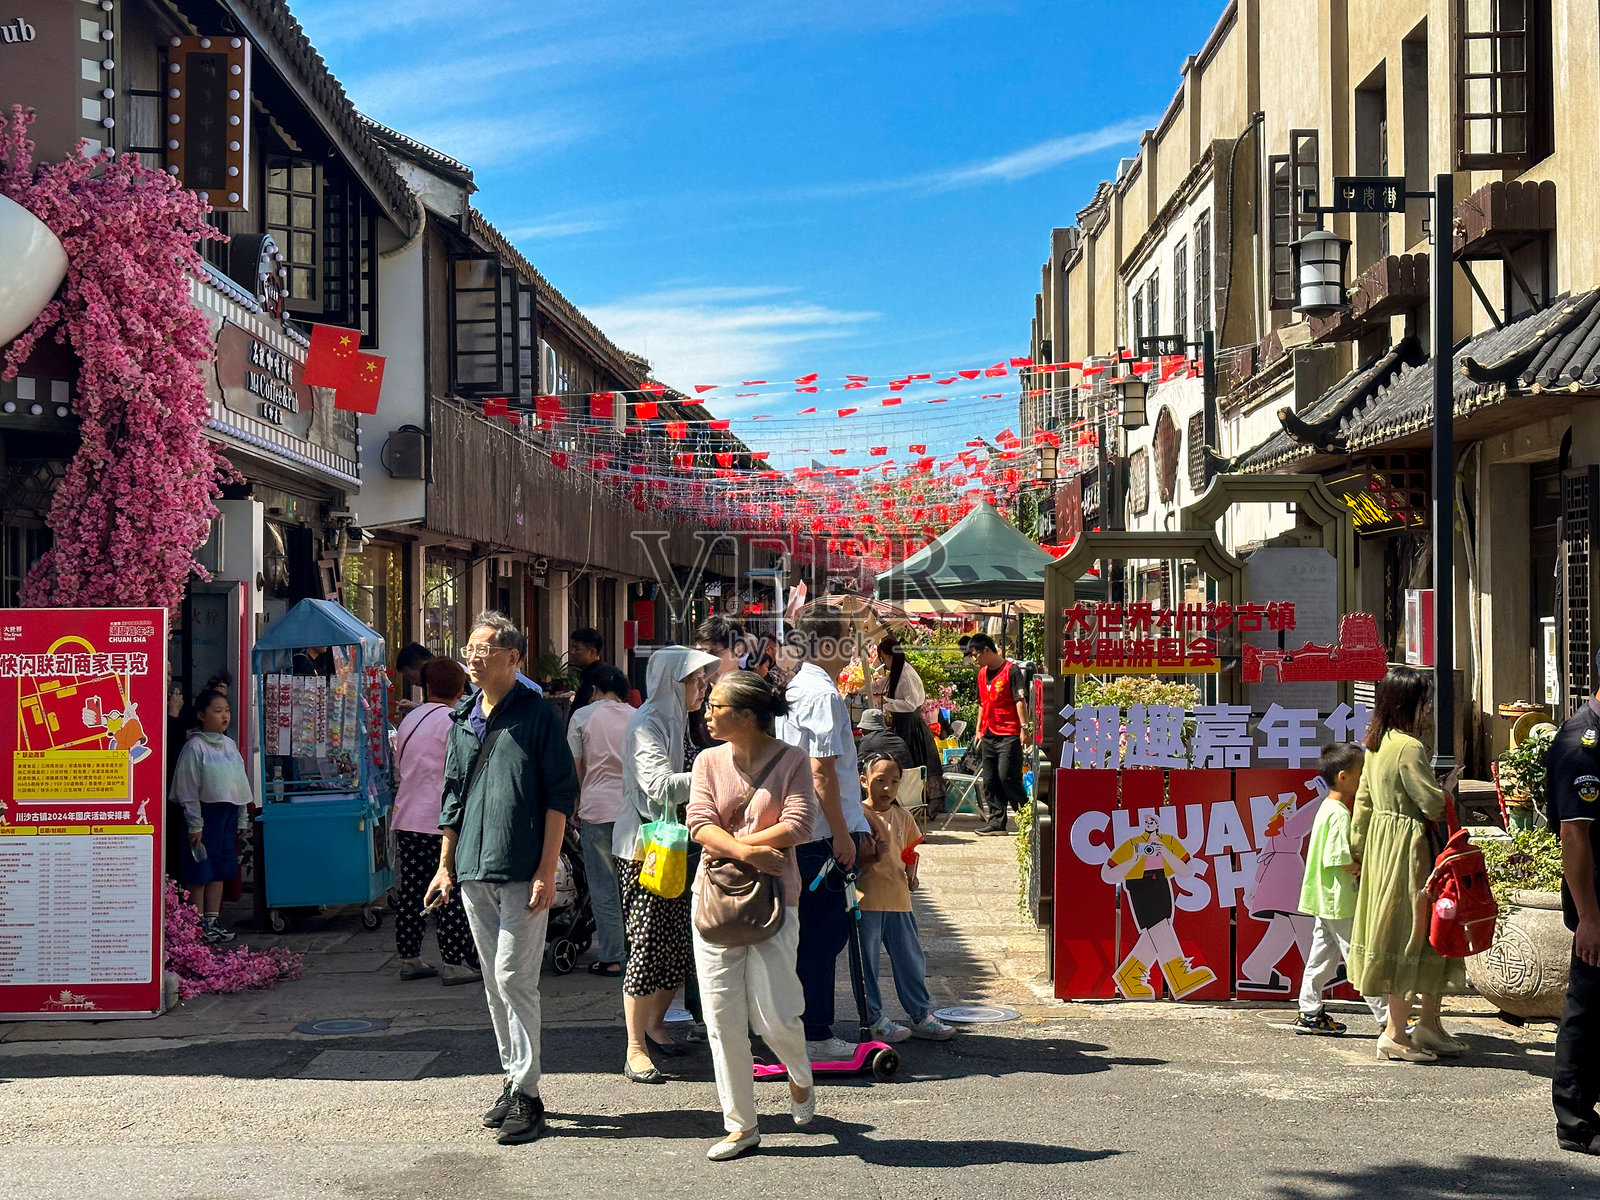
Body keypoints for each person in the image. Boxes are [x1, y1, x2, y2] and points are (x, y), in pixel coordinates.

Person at [426, 611, 579, 1145]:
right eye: (469, 647)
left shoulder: (538, 715)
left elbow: (561, 796)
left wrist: (546, 868)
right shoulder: (464, 714)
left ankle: (529, 1094)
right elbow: (452, 796)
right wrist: (445, 866)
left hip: (522, 868)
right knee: (494, 982)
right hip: (472, 866)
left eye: (484, 649)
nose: (472, 656)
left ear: (514, 658)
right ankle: (514, 1079)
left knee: (516, 977)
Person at [687, 670, 818, 1161]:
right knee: (721, 1019)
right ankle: (741, 1125)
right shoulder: (707, 760)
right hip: (715, 897)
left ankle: (799, 1073)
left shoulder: (792, 760)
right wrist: (748, 852)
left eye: (716, 706)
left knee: (773, 1015)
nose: (707, 712)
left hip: (777, 899)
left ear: (745, 715)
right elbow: (699, 824)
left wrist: (744, 848)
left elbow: (799, 823)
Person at [1347, 665, 1466, 1064]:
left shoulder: (1376, 745)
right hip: (1412, 850)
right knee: (1416, 933)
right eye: (1424, 701)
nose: (1428, 708)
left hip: (1383, 849)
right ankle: (1397, 1034)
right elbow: (1431, 803)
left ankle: (1428, 1027)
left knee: (1414, 930)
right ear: (1408, 704)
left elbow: (1361, 806)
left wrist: (1359, 852)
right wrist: (1445, 789)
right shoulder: (1411, 748)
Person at [613, 645, 719, 1083]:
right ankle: (634, 1045)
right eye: (696, 680)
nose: (703, 687)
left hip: (673, 846)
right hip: (643, 850)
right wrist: (718, 769)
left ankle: (655, 1026)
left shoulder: (677, 721)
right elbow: (658, 786)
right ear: (673, 682)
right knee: (646, 945)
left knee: (675, 944)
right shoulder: (648, 723)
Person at [777, 602, 875, 1060]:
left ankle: (804, 1027)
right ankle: (814, 1033)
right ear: (830, 642)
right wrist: (841, 835)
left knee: (812, 935)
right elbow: (821, 773)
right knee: (820, 936)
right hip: (818, 837)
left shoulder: (804, 687)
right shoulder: (821, 694)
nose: (854, 646)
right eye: (850, 636)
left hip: (808, 832)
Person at [392, 658, 481, 986]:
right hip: (445, 820)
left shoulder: (409, 719)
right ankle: (453, 962)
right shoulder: (457, 720)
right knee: (450, 890)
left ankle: (409, 957)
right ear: (461, 689)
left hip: (408, 816)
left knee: (413, 888)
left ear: (425, 686)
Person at [856, 752, 956, 1043]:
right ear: (864, 781)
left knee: (911, 960)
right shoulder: (857, 816)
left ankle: (921, 1015)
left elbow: (910, 853)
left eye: (894, 782)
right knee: (867, 965)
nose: (887, 788)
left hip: (899, 900)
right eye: (879, 781)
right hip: (866, 902)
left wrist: (912, 874)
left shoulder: (903, 816)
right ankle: (873, 1019)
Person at [1293, 742, 1390, 1035]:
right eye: (1361, 773)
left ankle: (1309, 1012)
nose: (1365, 780)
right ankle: (1389, 1020)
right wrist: (1363, 865)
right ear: (1343, 776)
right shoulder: (1338, 813)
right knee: (1359, 957)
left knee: (1323, 956)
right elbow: (1341, 858)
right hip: (1339, 898)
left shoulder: (1327, 807)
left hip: (1326, 898)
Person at [1545, 653, 1600, 1156]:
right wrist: (1588, 919)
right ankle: (1576, 1122)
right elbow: (1573, 835)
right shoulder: (1581, 744)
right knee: (1587, 1006)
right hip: (1597, 903)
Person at [170, 688, 253, 944]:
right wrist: (195, 823)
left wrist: (241, 818)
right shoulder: (194, 747)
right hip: (204, 818)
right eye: (218, 712)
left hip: (227, 817)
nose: (224, 716)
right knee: (200, 871)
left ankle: (212, 920)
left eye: (226, 711)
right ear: (201, 715)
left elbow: (239, 785)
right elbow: (188, 789)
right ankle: (197, 924)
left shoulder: (229, 745)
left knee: (219, 869)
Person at [566, 664, 633, 978]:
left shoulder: (582, 716)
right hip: (633, 811)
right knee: (633, 886)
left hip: (596, 809)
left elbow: (575, 768)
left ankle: (611, 956)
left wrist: (575, 804)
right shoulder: (637, 715)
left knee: (604, 887)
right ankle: (636, 952)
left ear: (592, 689)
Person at [870, 634, 947, 814]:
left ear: (891, 656)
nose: (884, 663)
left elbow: (911, 704)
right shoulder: (897, 672)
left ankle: (918, 805)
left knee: (913, 762)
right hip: (904, 722)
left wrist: (888, 703)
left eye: (884, 658)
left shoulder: (906, 674)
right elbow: (883, 684)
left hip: (911, 725)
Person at [969, 633, 1028, 835]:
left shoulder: (1011, 671)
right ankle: (996, 822)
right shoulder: (982, 673)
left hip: (1009, 733)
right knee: (990, 779)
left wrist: (1024, 728)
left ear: (987, 650)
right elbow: (981, 703)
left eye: (976, 654)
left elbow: (1020, 701)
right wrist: (978, 729)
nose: (975, 659)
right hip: (988, 733)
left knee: (1007, 777)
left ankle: (1026, 817)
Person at [569, 627, 607, 711]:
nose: (572, 652)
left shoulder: (600, 676)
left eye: (577, 649)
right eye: (572, 648)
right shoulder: (586, 672)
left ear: (592, 652)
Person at [395, 642, 435, 715]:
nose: (413, 683)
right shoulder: (429, 684)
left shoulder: (452, 675)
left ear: (422, 665)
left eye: (411, 677)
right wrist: (414, 708)